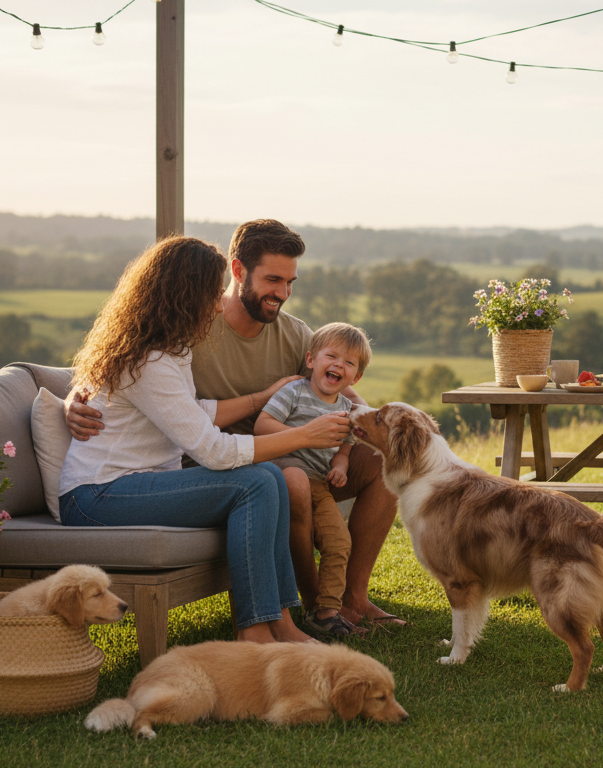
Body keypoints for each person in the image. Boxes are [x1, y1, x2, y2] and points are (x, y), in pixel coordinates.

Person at [65, 220, 405, 628]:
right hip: (199, 465)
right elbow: (123, 375)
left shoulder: (287, 335)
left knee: (369, 462)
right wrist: (74, 398)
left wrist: (375, 427)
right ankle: (305, 610)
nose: (283, 293)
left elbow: (343, 389)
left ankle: (346, 601)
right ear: (238, 271)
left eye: (290, 282)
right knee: (275, 480)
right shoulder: (185, 331)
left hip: (255, 457)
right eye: (273, 279)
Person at [256, 322, 372, 639]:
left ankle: (327, 612)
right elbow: (262, 426)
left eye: (349, 362)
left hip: (319, 484)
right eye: (331, 356)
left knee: (339, 542)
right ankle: (314, 605)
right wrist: (303, 435)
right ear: (311, 360)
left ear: (356, 377)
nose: (338, 365)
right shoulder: (294, 392)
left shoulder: (347, 410)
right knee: (299, 489)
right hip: (282, 471)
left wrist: (341, 466)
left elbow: (345, 446)